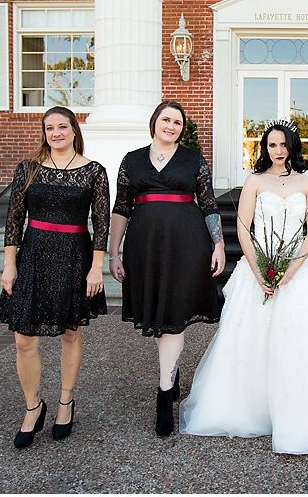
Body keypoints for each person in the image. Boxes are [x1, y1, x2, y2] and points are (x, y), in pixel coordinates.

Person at [180, 121, 308, 455]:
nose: (277, 152)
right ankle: (250, 409)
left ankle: (297, 411)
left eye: (283, 145)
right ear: (265, 149)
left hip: (298, 272)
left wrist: (290, 270)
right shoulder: (255, 181)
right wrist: (261, 271)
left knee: (296, 340)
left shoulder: (307, 183)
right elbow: (244, 228)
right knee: (251, 337)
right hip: (257, 269)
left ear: (293, 147)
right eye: (271, 146)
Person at [108, 100, 225, 437]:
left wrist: (218, 243)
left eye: (177, 122)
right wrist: (113, 253)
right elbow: (121, 209)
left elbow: (208, 204)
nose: (171, 126)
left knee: (173, 316)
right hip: (144, 247)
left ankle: (163, 394)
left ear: (182, 129)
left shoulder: (193, 159)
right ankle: (171, 376)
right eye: (166, 120)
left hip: (187, 245)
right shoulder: (131, 160)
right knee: (158, 317)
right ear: (154, 122)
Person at [0, 105, 110, 448]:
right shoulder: (28, 169)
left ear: (74, 130)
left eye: (62, 126)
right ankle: (33, 407)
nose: (56, 133)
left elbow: (101, 225)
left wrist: (96, 267)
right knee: (23, 339)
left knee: (70, 335)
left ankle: (65, 402)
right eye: (49, 127)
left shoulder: (94, 172)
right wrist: (9, 263)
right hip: (33, 256)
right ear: (44, 132)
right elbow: (14, 219)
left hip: (75, 255)